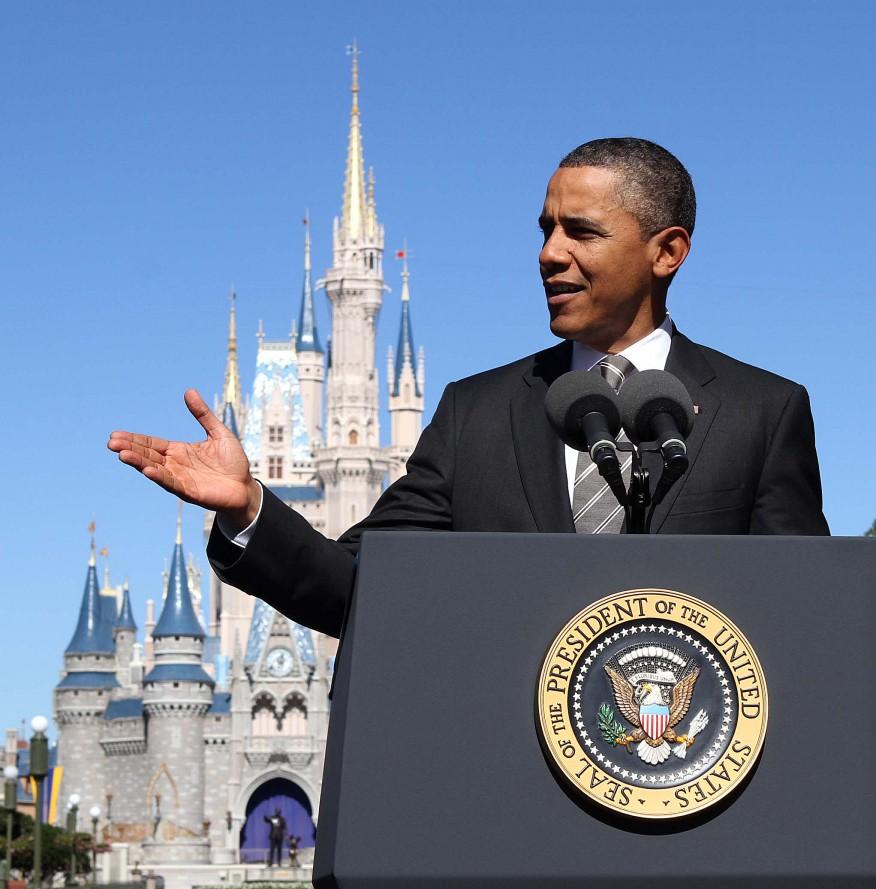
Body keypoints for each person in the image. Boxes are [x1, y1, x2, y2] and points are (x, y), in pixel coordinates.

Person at [108, 138, 829, 640]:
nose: (550, 253)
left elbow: (802, 621)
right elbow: (359, 584)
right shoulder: (476, 415)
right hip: (510, 808)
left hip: (694, 810)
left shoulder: (761, 413)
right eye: (545, 229)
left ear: (666, 252)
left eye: (581, 231)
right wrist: (250, 509)